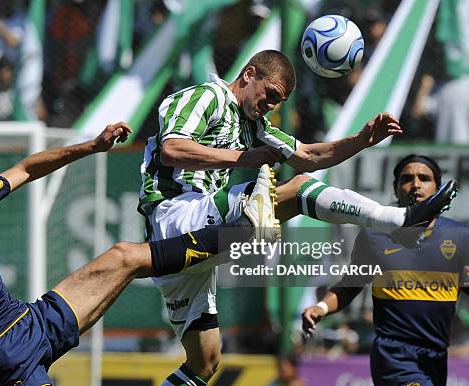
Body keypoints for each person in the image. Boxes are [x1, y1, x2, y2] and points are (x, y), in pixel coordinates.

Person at [0, 122, 269, 386]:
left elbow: (27, 168)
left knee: (124, 256)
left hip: (30, 319)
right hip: (1, 360)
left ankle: (234, 237)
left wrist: (90, 147)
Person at [138, 49, 458, 386]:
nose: (271, 106)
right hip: (174, 215)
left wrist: (362, 139)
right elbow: (172, 149)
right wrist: (243, 158)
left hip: (193, 244)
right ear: (249, 75)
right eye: (270, 95)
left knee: (205, 362)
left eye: (279, 101)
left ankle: (260, 227)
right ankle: (395, 218)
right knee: (297, 189)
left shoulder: (254, 124)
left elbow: (307, 155)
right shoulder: (206, 97)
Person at [302, 154, 468, 386]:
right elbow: (350, 286)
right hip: (393, 354)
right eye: (407, 179)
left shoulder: (460, 237)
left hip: (436, 355)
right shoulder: (374, 236)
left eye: (424, 178)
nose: (416, 185)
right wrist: (321, 307)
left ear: (438, 189)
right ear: (396, 188)